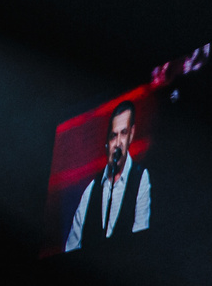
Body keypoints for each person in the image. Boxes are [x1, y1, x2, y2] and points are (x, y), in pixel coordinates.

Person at [61, 99, 152, 254]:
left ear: (131, 135)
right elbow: (71, 246)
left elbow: (141, 238)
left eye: (123, 133)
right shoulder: (91, 190)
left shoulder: (141, 178)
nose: (118, 143)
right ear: (107, 143)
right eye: (113, 136)